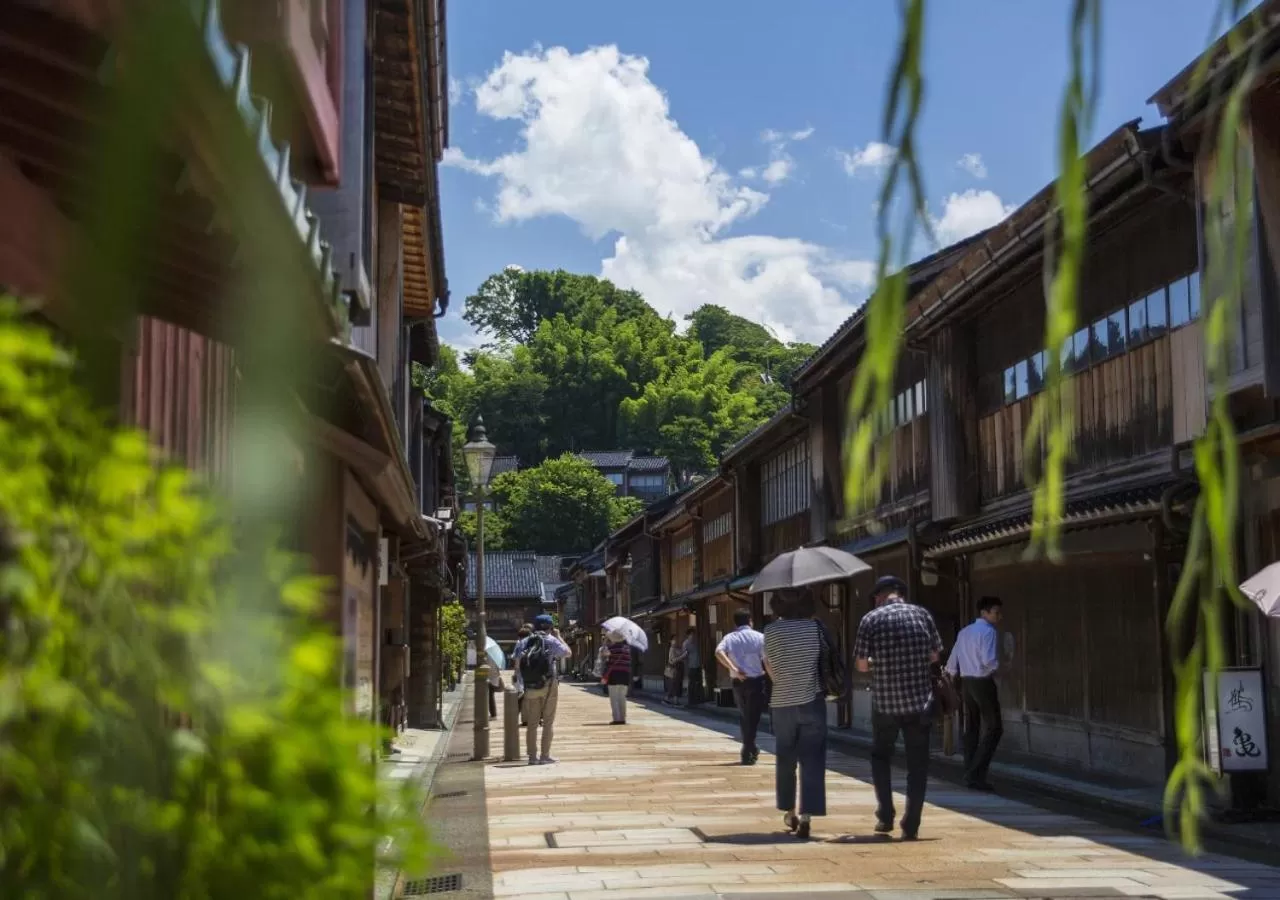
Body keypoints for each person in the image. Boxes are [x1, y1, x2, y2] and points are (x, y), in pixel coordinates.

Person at [853, 575, 943, 841]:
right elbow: (935, 655)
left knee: (881, 756)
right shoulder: (922, 615)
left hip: (886, 702)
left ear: (880, 596)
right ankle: (911, 823)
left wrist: (877, 661)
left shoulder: (871, 619)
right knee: (918, 764)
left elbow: (861, 665)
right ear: (900, 593)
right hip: (919, 701)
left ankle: (885, 815)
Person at [763, 590, 826, 840]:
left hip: (782, 703)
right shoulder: (815, 628)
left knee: (785, 758)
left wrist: (782, 681)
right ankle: (807, 815)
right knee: (812, 759)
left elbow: (769, 666)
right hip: (812, 700)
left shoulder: (771, 631)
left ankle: (789, 811)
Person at [947, 596, 1004, 790]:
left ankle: (969, 770)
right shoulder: (988, 631)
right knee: (994, 727)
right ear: (984, 612)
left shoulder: (964, 632)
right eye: (996, 612)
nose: (999, 616)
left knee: (972, 725)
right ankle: (975, 773)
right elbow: (989, 661)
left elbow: (953, 659)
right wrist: (999, 667)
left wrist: (952, 675)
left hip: (966, 681)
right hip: (982, 681)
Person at [513, 615, 571, 765]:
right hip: (549, 684)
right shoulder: (551, 640)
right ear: (550, 627)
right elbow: (567, 652)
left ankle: (532, 757)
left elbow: (517, 664)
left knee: (532, 723)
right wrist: (559, 636)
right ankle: (545, 756)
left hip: (530, 685)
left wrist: (523, 682)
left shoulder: (524, 641)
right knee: (548, 721)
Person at [716, 608, 767, 765]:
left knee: (744, 715)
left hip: (738, 681)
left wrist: (733, 668)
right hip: (756, 680)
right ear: (750, 620)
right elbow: (766, 659)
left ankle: (749, 748)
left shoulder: (730, 637)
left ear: (735, 623)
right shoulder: (760, 637)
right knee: (753, 717)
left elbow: (718, 652)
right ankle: (748, 749)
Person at [602, 633, 633, 724]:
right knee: (622, 697)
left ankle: (616, 718)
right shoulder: (627, 649)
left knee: (614, 697)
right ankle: (623, 718)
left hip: (614, 674)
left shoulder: (611, 648)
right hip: (625, 675)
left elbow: (603, 653)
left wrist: (605, 642)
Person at [514, 625, 533, 726]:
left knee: (522, 697)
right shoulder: (536, 642)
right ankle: (536, 717)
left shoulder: (520, 644)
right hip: (534, 674)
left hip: (522, 675)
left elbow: (516, 661)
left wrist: (516, 673)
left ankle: (524, 719)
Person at [663, 636, 687, 705]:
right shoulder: (671, 649)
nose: (675, 641)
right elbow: (672, 661)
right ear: (671, 641)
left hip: (679, 669)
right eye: (673, 640)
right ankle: (667, 699)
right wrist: (682, 656)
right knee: (674, 685)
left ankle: (675, 701)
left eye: (676, 639)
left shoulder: (677, 648)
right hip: (674, 669)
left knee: (677, 685)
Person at [683, 628, 703, 706]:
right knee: (691, 683)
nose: (693, 636)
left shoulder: (696, 642)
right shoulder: (686, 644)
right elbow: (684, 656)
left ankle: (698, 699)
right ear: (688, 635)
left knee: (698, 682)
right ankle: (691, 700)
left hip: (697, 664)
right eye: (691, 634)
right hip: (690, 666)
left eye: (693, 634)